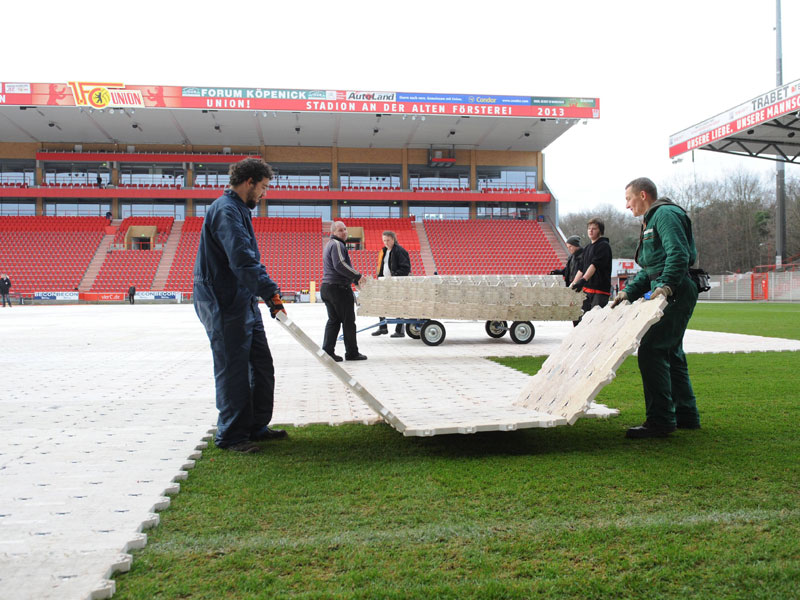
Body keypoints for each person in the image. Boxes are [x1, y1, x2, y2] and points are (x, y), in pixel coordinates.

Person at [193, 157, 288, 454]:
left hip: (242, 299)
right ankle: (231, 435)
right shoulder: (225, 210)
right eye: (263, 187)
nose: (263, 194)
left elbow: (248, 261)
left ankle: (255, 425)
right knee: (233, 370)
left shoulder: (238, 210)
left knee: (261, 365)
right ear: (249, 182)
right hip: (223, 301)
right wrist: (270, 292)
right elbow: (242, 259)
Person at [611, 177, 701, 439]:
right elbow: (650, 270)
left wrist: (666, 286)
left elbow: (678, 254)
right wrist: (628, 292)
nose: (627, 205)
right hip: (670, 287)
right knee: (671, 353)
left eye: (628, 199)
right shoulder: (651, 219)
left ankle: (661, 420)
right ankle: (686, 415)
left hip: (675, 290)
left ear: (642, 195)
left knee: (652, 350)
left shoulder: (664, 214)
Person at [321, 221, 367, 362]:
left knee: (334, 321)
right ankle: (352, 353)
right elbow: (340, 265)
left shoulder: (329, 244)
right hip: (338, 289)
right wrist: (358, 276)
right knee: (348, 322)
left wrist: (353, 280)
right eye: (340, 230)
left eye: (345, 229)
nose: (344, 232)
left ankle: (327, 352)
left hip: (327, 287)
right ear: (333, 232)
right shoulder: (337, 244)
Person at [571, 218, 612, 323]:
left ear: (600, 231)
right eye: (589, 228)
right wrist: (574, 283)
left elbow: (595, 265)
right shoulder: (587, 248)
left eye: (594, 229)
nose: (591, 231)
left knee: (595, 321)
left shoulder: (603, 246)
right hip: (587, 291)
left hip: (599, 291)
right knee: (580, 319)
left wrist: (583, 280)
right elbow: (581, 268)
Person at [372, 230, 411, 338]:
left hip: (396, 283)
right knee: (380, 303)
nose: (386, 242)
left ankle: (400, 331)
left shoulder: (400, 251)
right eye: (384, 240)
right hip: (384, 282)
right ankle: (383, 328)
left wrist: (394, 277)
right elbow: (381, 266)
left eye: (388, 240)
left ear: (393, 239)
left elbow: (406, 268)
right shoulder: (384, 251)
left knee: (398, 305)